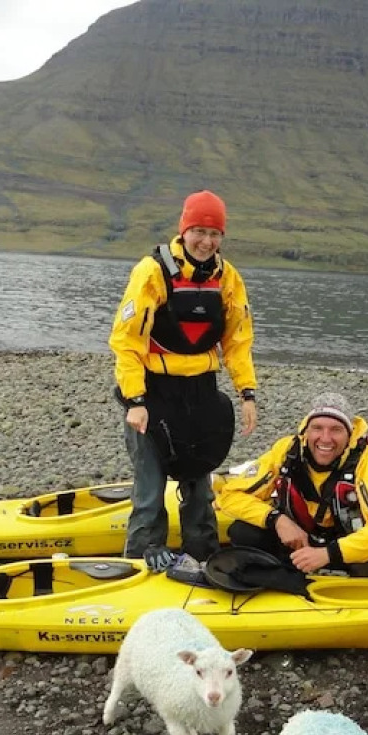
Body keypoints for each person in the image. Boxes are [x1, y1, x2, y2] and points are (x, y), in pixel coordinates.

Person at [110, 190, 258, 571]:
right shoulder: (152, 272)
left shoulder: (228, 278)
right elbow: (127, 341)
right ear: (184, 230)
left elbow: (238, 341)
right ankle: (140, 561)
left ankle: (203, 556)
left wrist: (246, 392)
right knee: (149, 490)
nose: (207, 241)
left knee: (198, 488)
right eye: (199, 231)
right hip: (154, 394)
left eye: (215, 233)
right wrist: (135, 401)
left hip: (201, 394)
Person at [216, 392, 368, 577]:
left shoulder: (366, 466)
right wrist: (277, 519)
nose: (325, 438)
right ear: (306, 430)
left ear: (349, 435)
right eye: (317, 428)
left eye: (336, 430)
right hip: (300, 540)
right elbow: (230, 495)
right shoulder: (286, 451)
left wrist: (328, 554)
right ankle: (282, 575)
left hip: (342, 545)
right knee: (244, 531)